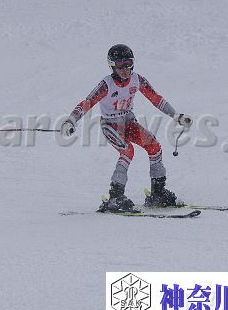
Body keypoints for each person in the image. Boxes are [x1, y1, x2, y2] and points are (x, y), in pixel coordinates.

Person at [60, 44, 192, 212]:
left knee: (154, 146)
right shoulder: (106, 85)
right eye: (120, 65)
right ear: (112, 66)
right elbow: (87, 103)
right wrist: (71, 121)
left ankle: (158, 194)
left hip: (129, 123)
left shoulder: (137, 80)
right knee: (127, 151)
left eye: (128, 64)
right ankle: (115, 197)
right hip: (111, 125)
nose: (125, 69)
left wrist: (176, 116)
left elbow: (156, 98)